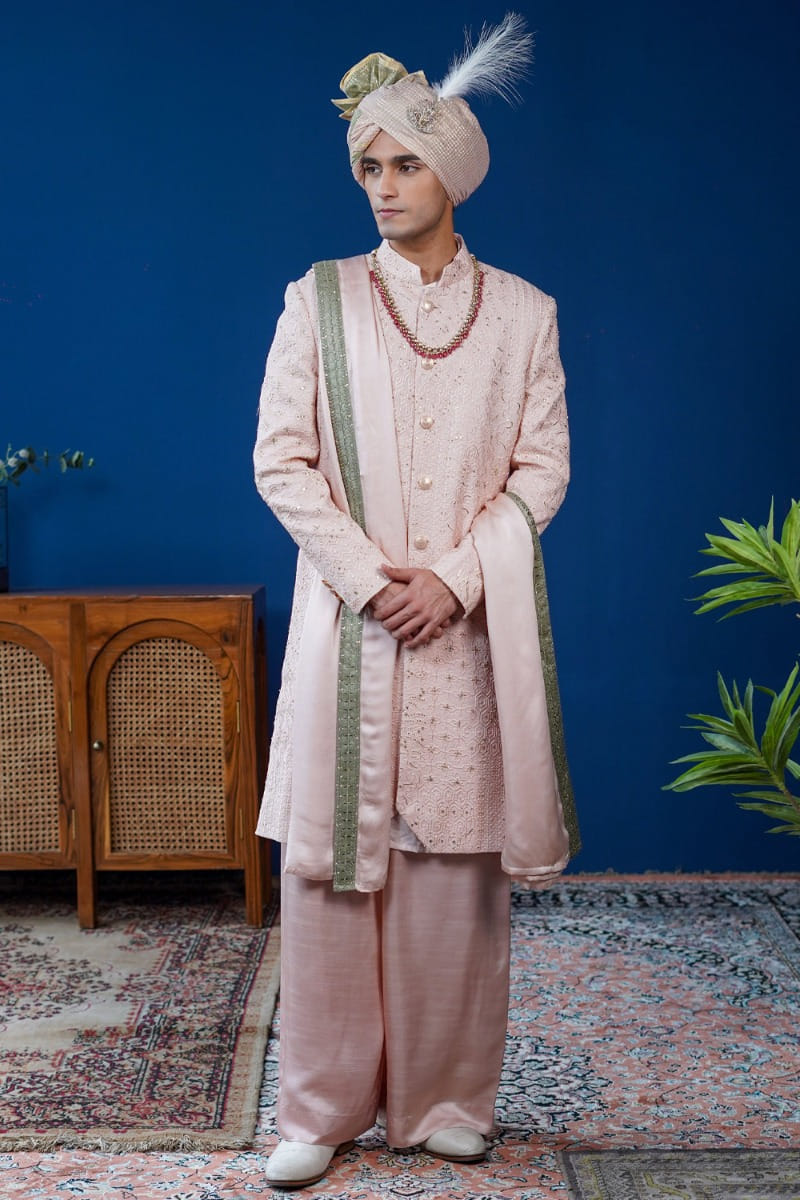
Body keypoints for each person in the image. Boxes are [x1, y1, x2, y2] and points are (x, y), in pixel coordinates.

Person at [253, 15, 580, 1189]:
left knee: (452, 869)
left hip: (463, 635)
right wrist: (366, 580)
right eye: (368, 167)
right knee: (330, 872)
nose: (383, 187)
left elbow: (541, 468)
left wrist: (451, 580)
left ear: (453, 175)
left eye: (404, 164)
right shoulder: (319, 301)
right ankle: (319, 1106)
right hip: (350, 629)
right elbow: (281, 461)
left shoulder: (525, 314)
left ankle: (447, 1097)